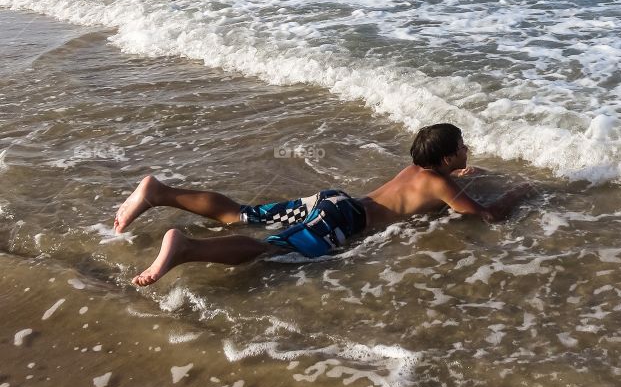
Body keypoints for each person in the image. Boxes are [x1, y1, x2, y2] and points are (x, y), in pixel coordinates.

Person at [114, 123, 531, 287]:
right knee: (272, 248)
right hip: (345, 219)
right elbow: (487, 216)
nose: (466, 149)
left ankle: (159, 193)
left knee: (241, 214)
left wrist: (462, 177)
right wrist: (521, 192)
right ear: (444, 159)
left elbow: (425, 190)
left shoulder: (418, 171)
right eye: (461, 147)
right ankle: (186, 249)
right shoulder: (441, 182)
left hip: (331, 201)